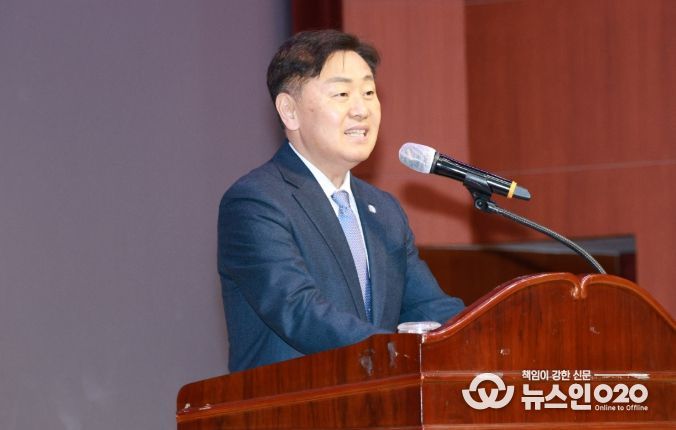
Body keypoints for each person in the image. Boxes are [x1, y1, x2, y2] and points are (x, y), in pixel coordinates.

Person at [218, 30, 464, 373]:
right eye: (342, 94)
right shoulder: (256, 202)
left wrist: (479, 335)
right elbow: (299, 311)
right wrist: (397, 353)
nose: (362, 109)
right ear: (290, 111)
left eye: (369, 92)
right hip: (294, 399)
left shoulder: (384, 211)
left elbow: (429, 306)